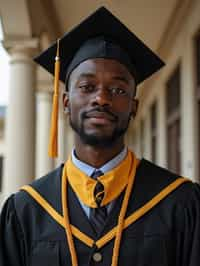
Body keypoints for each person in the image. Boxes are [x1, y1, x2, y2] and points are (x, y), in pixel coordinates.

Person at [0, 6, 199, 266]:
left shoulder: (179, 203)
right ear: (66, 103)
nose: (101, 99)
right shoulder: (26, 210)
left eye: (117, 89)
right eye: (87, 87)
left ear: (134, 107)